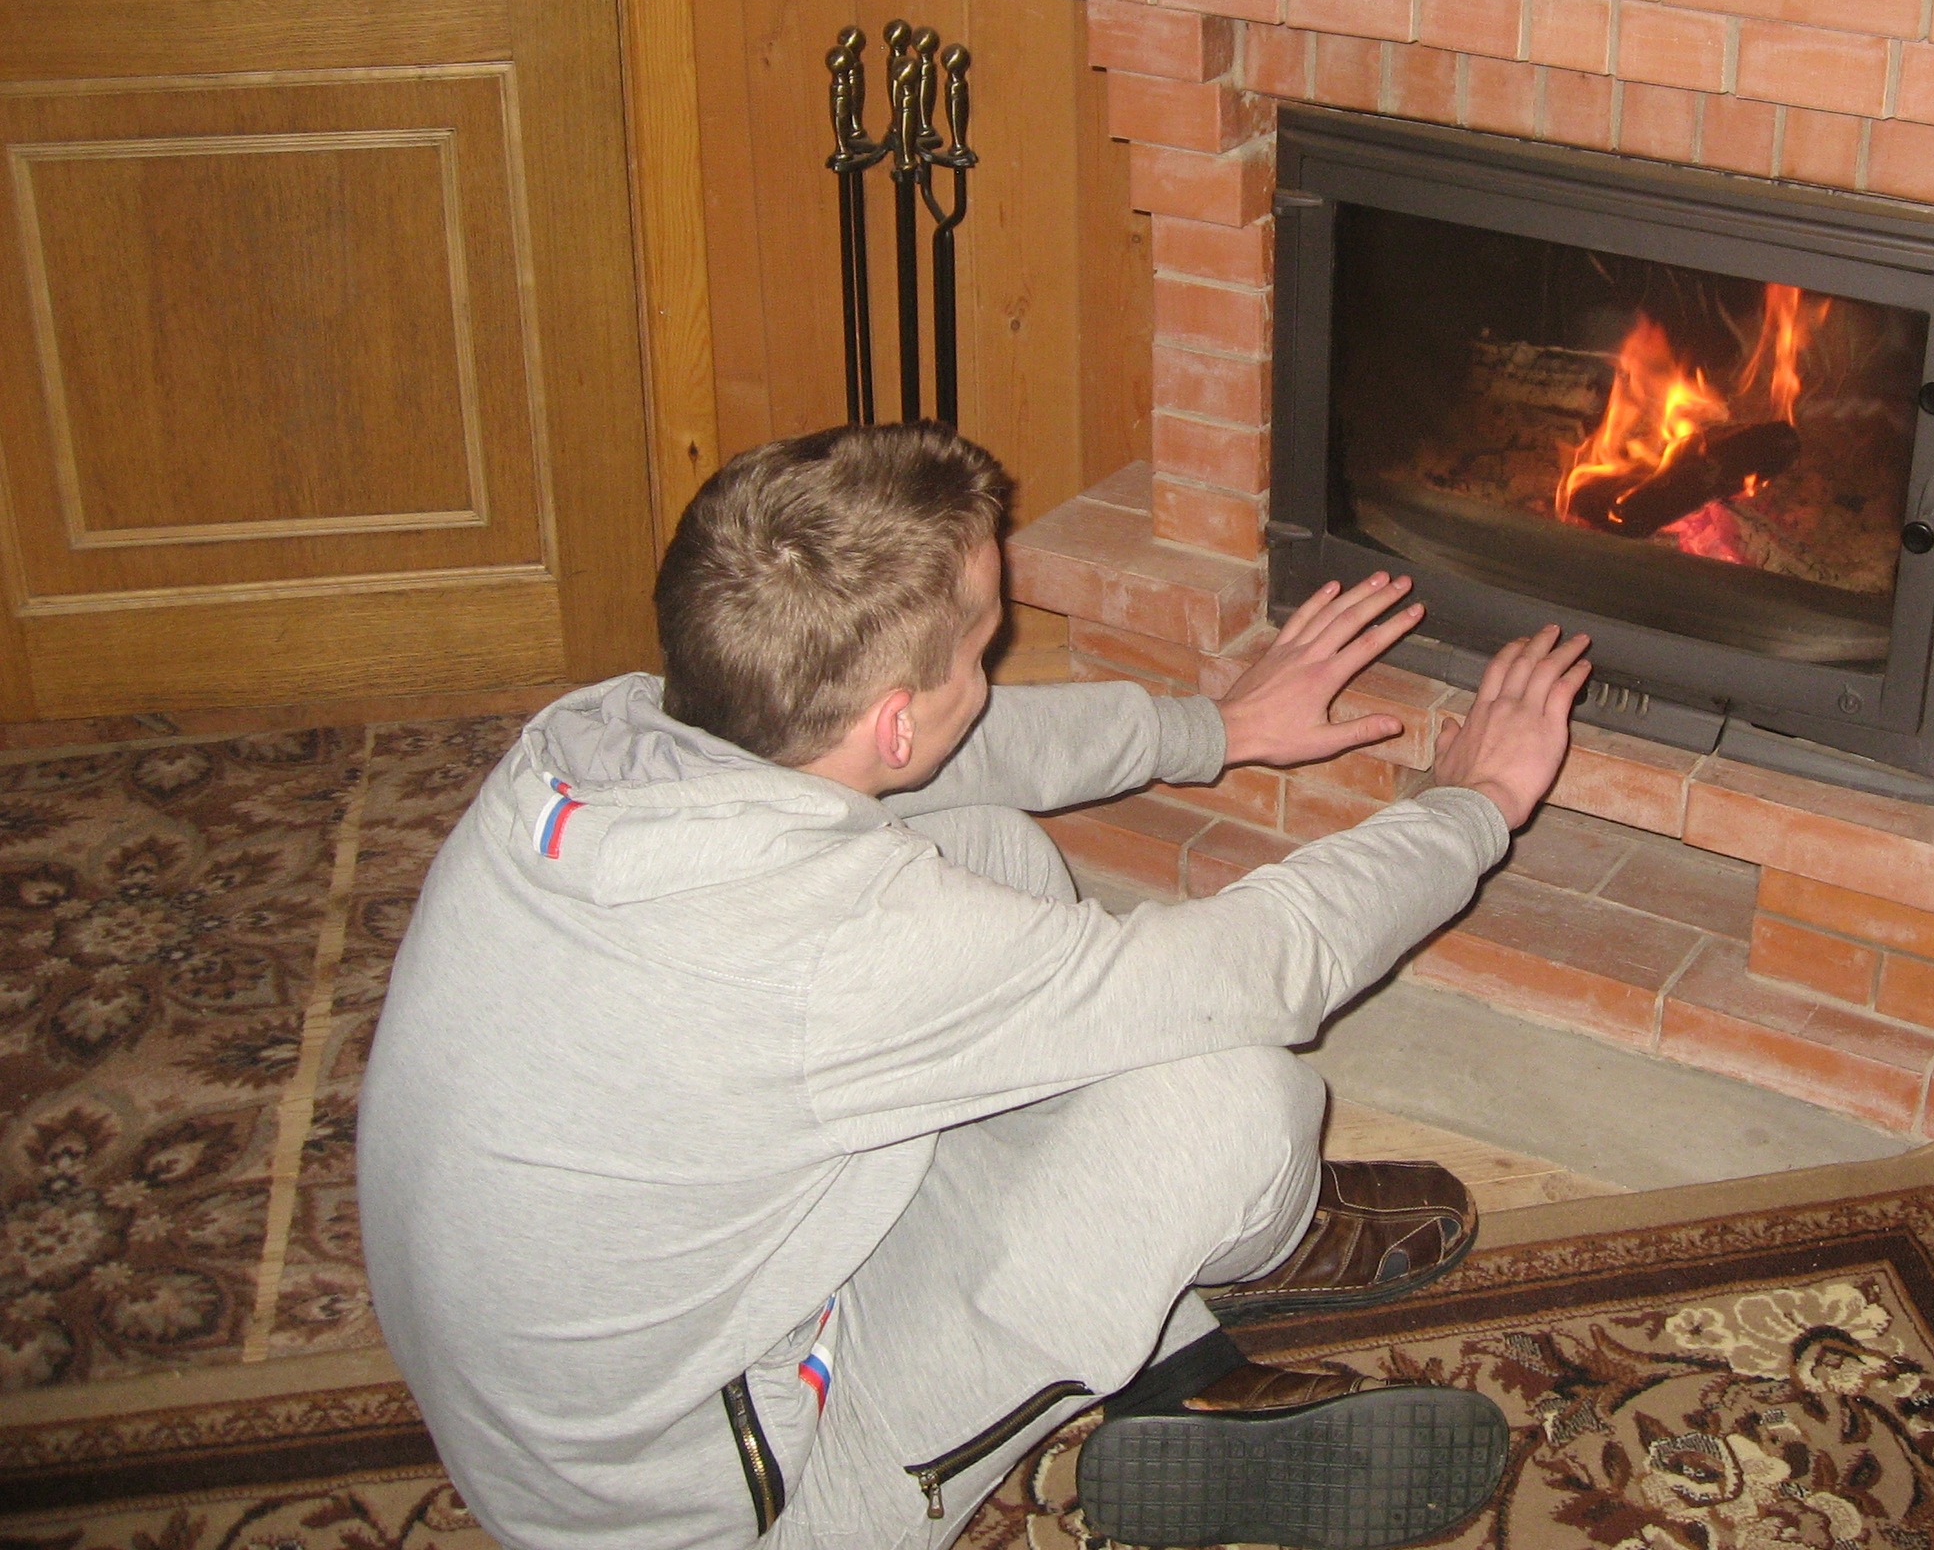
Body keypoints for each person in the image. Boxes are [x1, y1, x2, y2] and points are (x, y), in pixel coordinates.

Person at [357, 421, 1591, 1550]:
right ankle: (1239, 1252)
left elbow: (939, 758)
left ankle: (1173, 1362)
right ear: (896, 720)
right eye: (985, 646)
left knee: (983, 848)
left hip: (586, 1406)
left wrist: (1213, 728)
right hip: (720, 1510)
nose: (995, 667)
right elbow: (1263, 968)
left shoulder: (594, 741)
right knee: (1226, 1103)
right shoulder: (834, 946)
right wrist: (1474, 801)